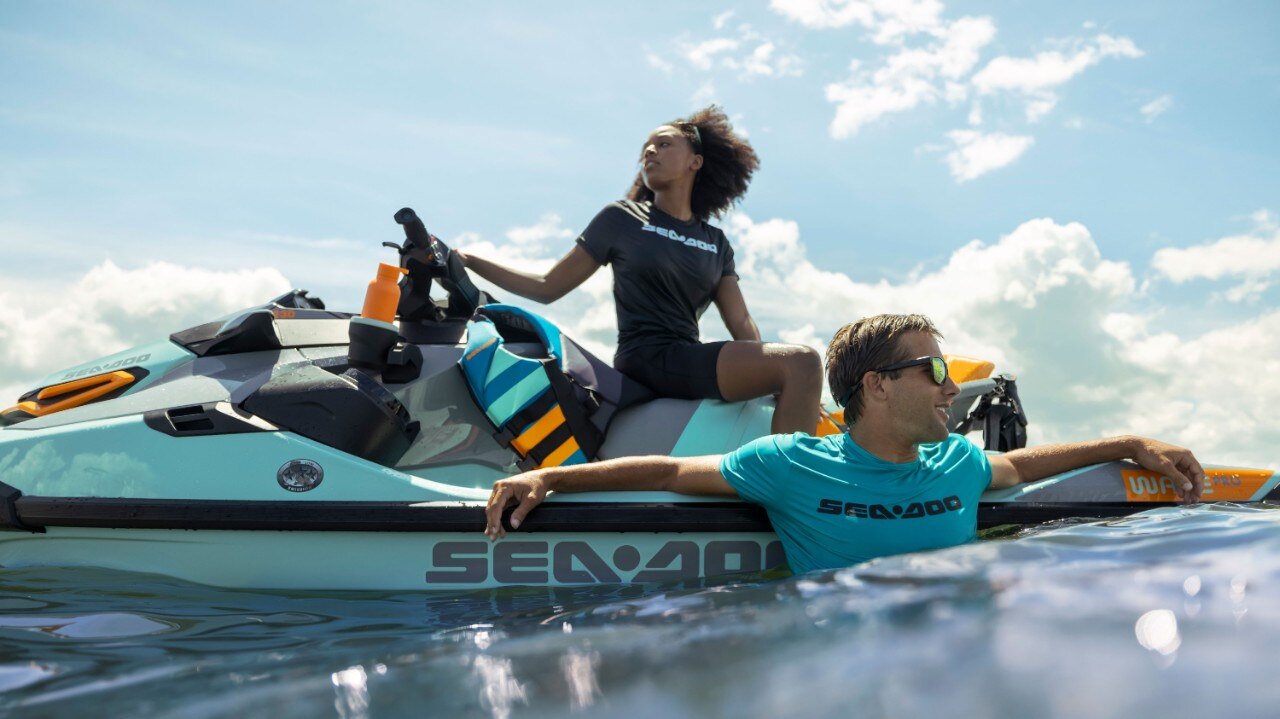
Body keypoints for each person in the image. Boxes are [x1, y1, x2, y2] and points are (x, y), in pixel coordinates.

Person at [483, 314, 1205, 573]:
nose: (953, 387)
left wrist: (1130, 440)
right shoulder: (792, 464)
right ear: (878, 386)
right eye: (937, 371)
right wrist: (550, 479)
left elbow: (1021, 463)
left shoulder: (955, 462)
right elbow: (673, 468)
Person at [456, 106, 822, 434]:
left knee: (796, 367)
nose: (650, 151)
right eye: (646, 147)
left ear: (695, 162)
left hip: (684, 356)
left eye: (664, 144)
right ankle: (790, 489)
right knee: (803, 362)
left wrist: (772, 377)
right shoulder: (622, 218)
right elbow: (548, 287)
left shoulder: (716, 241)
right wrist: (470, 260)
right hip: (645, 356)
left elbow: (741, 322)